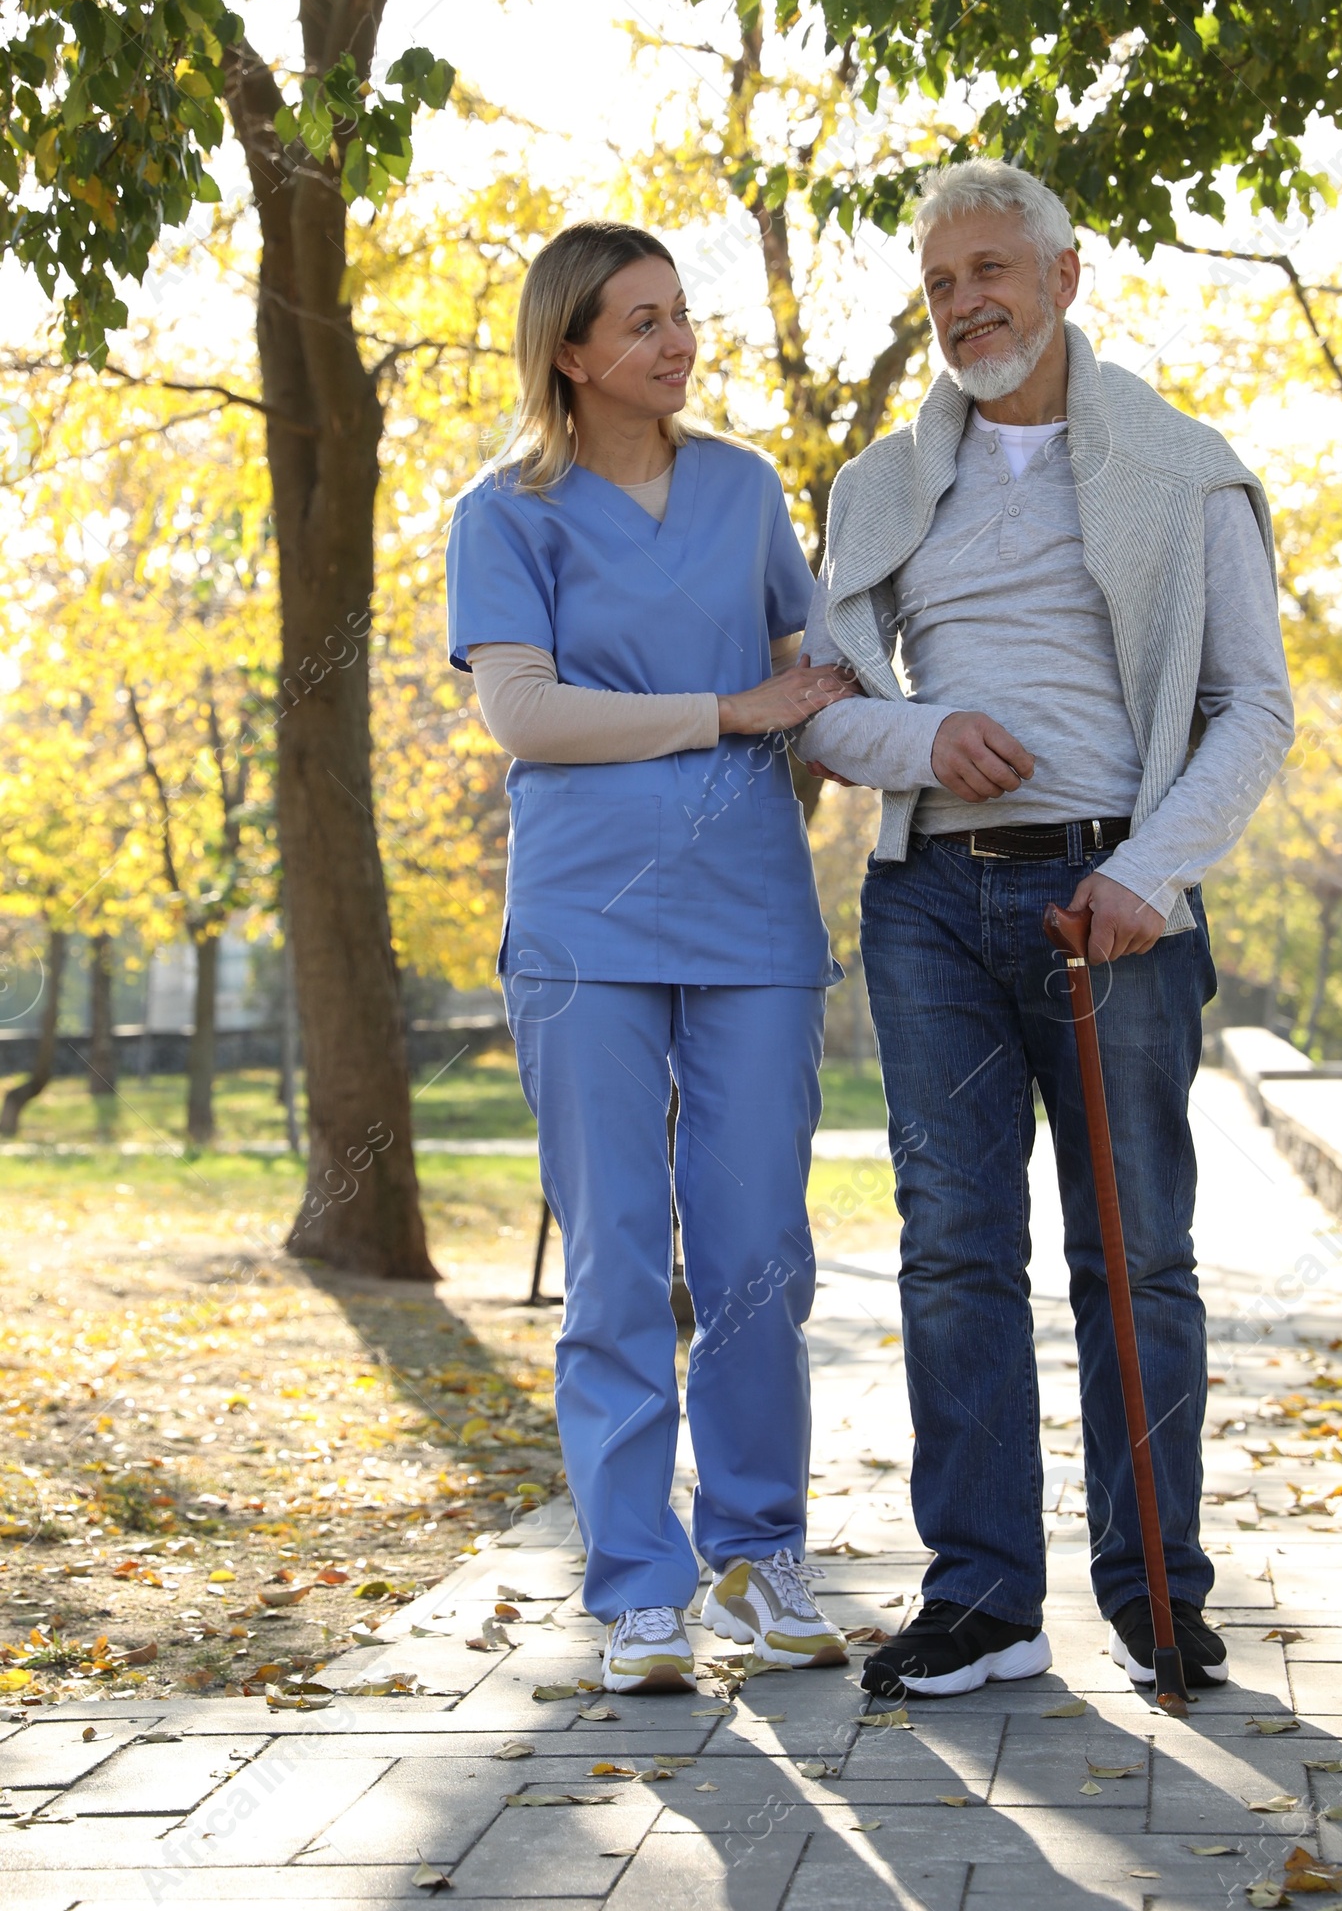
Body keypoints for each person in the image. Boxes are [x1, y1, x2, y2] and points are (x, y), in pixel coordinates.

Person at [796, 162, 1294, 1700]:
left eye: (991, 270)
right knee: (953, 1251)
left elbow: (1252, 708)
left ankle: (1157, 1594)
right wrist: (927, 732)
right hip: (934, 900)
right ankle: (985, 1604)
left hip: (1115, 903)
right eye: (941, 283)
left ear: (1068, 277)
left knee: (1135, 1257)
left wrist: (1152, 871)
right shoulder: (879, 488)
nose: (965, 305)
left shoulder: (1185, 471)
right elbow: (825, 705)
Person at [445, 220, 858, 1693]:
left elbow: (820, 675)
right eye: (641, 322)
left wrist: (863, 709)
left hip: (752, 915)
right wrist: (728, 712)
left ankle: (759, 1558)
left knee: (755, 1252)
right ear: (569, 351)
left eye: (683, 315)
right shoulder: (505, 514)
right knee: (620, 1255)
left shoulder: (747, 491)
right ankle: (634, 1586)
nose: (676, 342)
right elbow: (527, 718)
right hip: (586, 926)